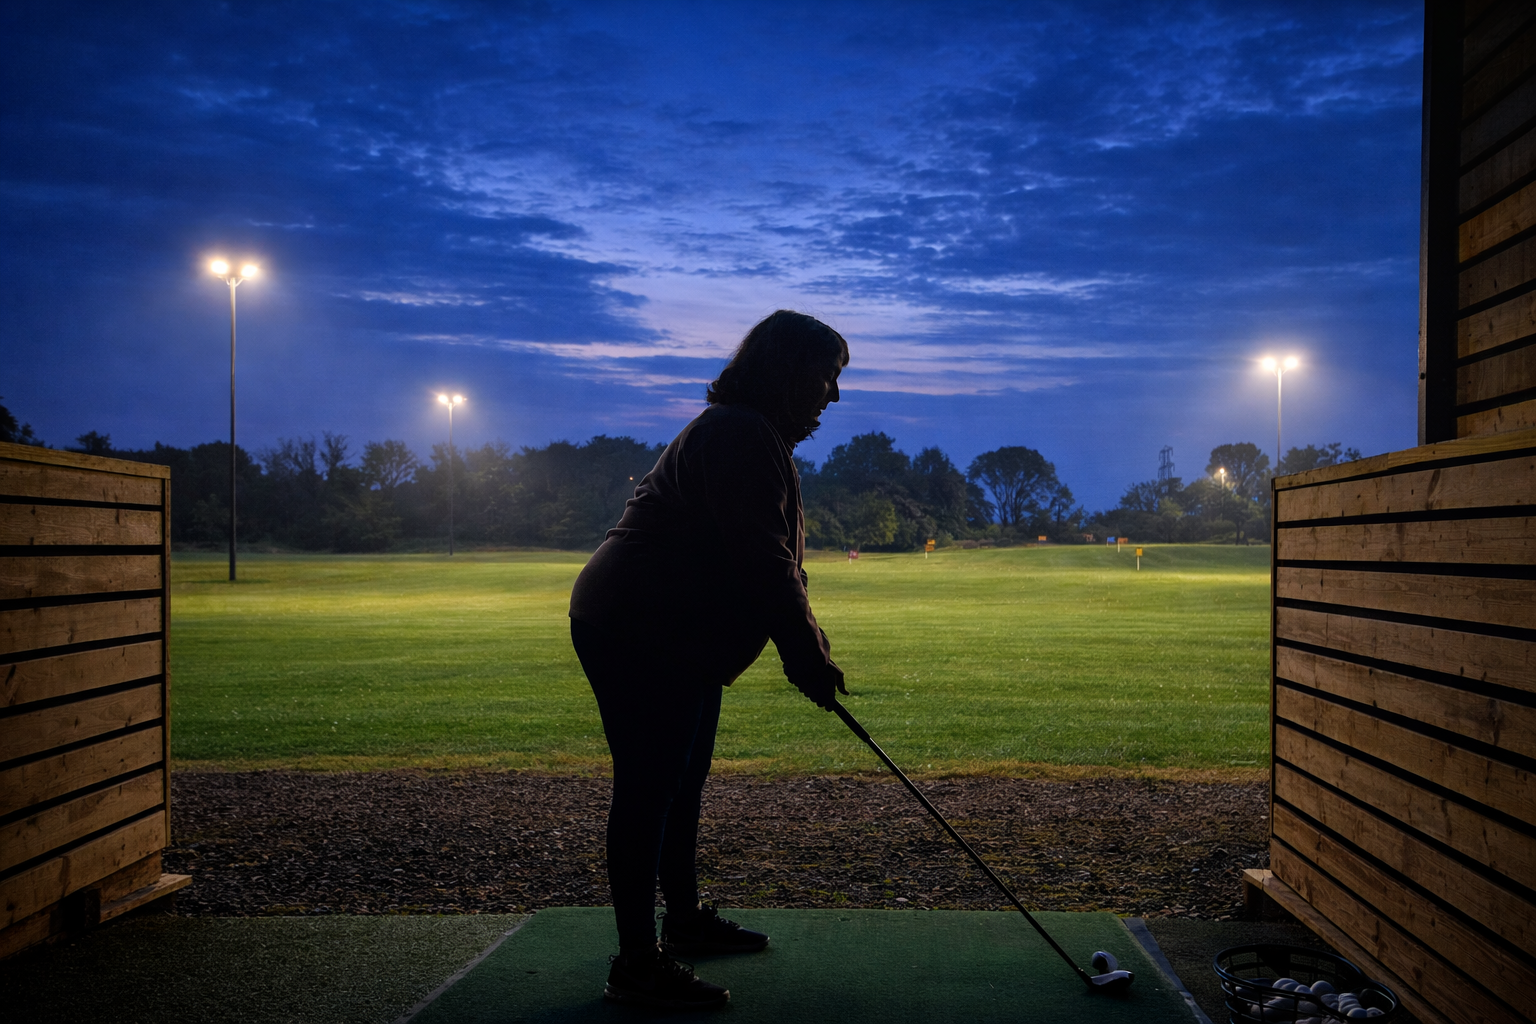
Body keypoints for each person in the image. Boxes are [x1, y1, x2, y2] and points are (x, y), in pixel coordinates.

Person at [569, 309, 849, 1011]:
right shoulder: (740, 435)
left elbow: (775, 562)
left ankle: (684, 924)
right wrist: (807, 658)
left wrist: (806, 651)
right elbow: (765, 564)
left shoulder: (755, 435)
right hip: (638, 625)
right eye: (826, 378)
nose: (833, 396)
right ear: (788, 375)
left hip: (677, 630)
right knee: (649, 788)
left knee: (681, 782)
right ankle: (637, 965)